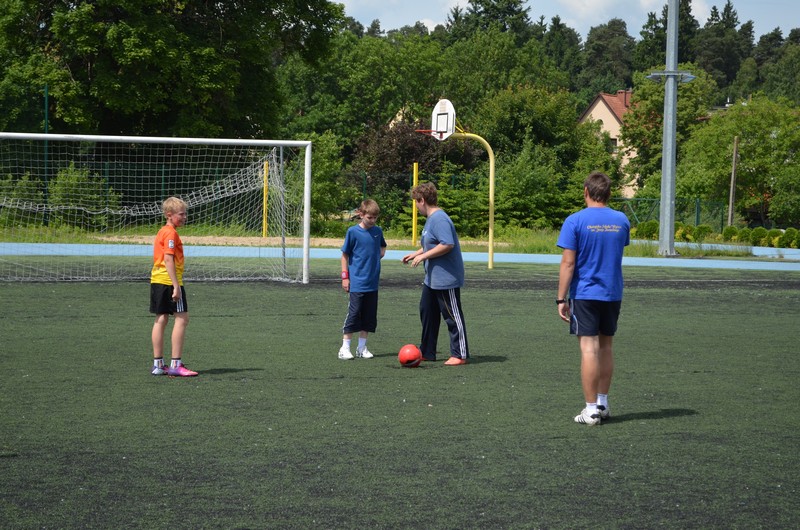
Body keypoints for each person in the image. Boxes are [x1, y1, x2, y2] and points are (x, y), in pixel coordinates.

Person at [556, 171, 630, 425]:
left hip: (585, 293)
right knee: (606, 347)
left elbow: (568, 263)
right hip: (612, 293)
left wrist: (560, 299)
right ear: (609, 193)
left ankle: (590, 410)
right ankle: (602, 403)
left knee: (589, 348)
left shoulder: (575, 220)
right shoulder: (621, 220)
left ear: (586, 192)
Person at [402, 182, 469, 366]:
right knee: (427, 311)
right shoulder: (431, 219)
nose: (416, 206)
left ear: (422, 200)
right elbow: (432, 242)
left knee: (452, 315)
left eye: (416, 202)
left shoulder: (439, 219)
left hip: (446, 278)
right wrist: (416, 253)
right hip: (432, 279)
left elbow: (447, 244)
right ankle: (427, 351)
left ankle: (460, 354)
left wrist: (423, 256)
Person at [150, 197, 197, 377]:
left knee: (161, 319)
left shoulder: (162, 231)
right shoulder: (170, 233)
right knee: (182, 318)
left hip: (157, 279)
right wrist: (176, 286)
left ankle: (158, 365)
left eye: (185, 214)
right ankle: (176, 364)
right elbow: (168, 259)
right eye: (181, 214)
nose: (185, 217)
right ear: (169, 215)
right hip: (169, 281)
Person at [338, 199, 387, 360]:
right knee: (354, 314)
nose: (372, 221)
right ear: (361, 214)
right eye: (369, 217)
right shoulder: (353, 232)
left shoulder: (377, 231)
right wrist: (345, 277)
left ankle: (361, 347)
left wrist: (378, 255)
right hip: (357, 282)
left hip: (372, 282)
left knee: (369, 316)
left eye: (375, 218)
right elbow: (344, 256)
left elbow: (383, 246)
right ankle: (345, 348)